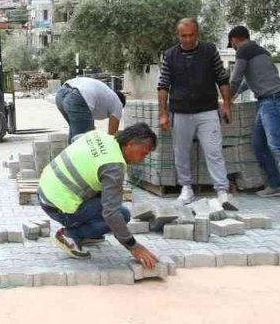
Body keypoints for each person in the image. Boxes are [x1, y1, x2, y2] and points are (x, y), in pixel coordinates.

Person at [38, 123, 160, 269]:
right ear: (130, 144)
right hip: (58, 205)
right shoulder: (114, 166)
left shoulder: (100, 136)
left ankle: (85, 233)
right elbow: (111, 213)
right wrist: (134, 246)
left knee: (109, 204)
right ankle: (70, 235)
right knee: (122, 214)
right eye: (143, 153)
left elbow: (76, 139)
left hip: (45, 190)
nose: (142, 160)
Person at [157, 17, 236, 209]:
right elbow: (163, 85)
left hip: (207, 111)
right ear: (178, 35)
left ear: (197, 33)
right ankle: (186, 188)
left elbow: (222, 78)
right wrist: (163, 113)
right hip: (181, 111)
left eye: (192, 35)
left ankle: (222, 191)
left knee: (214, 151)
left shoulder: (209, 51)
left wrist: (226, 104)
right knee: (181, 152)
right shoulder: (170, 55)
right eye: (184, 36)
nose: (188, 39)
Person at [227, 26, 280, 207]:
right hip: (267, 102)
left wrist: (226, 99)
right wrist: (234, 95)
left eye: (232, 43)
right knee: (258, 144)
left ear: (234, 40)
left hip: (272, 102)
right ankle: (276, 184)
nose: (233, 47)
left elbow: (236, 78)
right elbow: (250, 80)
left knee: (277, 145)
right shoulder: (259, 51)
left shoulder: (244, 50)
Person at [55, 76, 127, 142]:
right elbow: (112, 136)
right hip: (78, 96)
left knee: (76, 137)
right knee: (86, 142)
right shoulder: (118, 104)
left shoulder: (105, 98)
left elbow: (87, 122)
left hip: (61, 93)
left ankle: (71, 155)